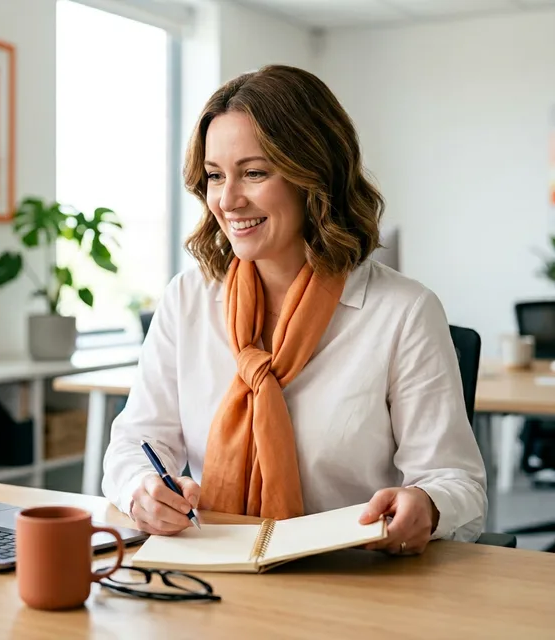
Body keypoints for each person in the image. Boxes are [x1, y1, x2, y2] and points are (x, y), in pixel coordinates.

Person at [101, 65, 487, 555]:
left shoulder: (404, 312)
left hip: (350, 582)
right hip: (211, 567)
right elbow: (133, 444)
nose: (228, 199)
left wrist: (427, 505)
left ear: (315, 174)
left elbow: (458, 483)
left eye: (254, 173)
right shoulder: (188, 299)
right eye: (216, 176)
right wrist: (142, 491)